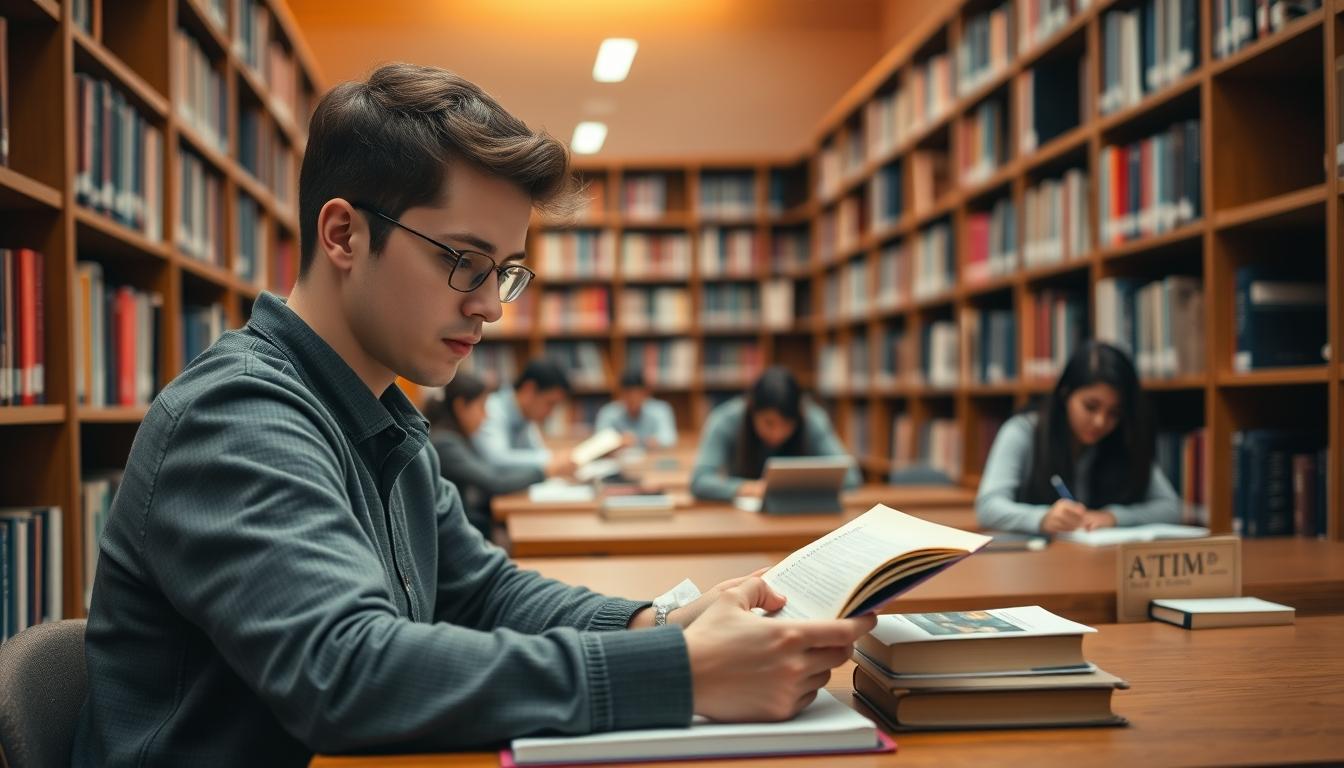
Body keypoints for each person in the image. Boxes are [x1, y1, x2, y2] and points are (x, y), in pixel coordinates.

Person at [73, 63, 873, 767]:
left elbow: (483, 594)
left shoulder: (380, 415)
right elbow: (347, 673)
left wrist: (660, 624)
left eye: (505, 272)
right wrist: (684, 673)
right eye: (464, 261)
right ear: (344, 234)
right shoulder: (239, 415)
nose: (491, 306)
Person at [975, 340, 1181, 534]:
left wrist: (1113, 517)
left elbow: (1171, 508)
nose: (1100, 421)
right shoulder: (1023, 432)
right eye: (1090, 407)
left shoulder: (1124, 437)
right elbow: (988, 507)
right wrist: (1043, 518)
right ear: (1065, 394)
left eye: (1114, 413)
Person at [691, 366, 861, 501]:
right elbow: (700, 480)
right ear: (752, 410)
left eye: (787, 424)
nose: (777, 434)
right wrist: (746, 488)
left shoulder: (813, 419)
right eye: (768, 423)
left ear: (799, 416)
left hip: (800, 516)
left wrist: (790, 489)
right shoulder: (725, 420)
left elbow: (851, 477)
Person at [426, 371, 555, 539]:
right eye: (481, 407)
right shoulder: (446, 445)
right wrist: (545, 472)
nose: (486, 416)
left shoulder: (458, 438)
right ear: (461, 407)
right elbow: (495, 481)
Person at [473, 358, 575, 474]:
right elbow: (496, 459)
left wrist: (554, 460)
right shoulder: (489, 409)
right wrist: (551, 459)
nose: (551, 413)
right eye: (550, 403)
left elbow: (536, 452)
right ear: (529, 389)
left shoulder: (525, 416)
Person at [594, 368, 678, 449]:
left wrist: (652, 441)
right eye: (628, 396)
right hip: (621, 457)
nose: (633, 400)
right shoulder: (608, 412)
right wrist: (618, 441)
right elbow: (599, 441)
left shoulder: (660, 410)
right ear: (621, 394)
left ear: (646, 393)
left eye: (637, 396)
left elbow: (669, 439)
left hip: (650, 456)